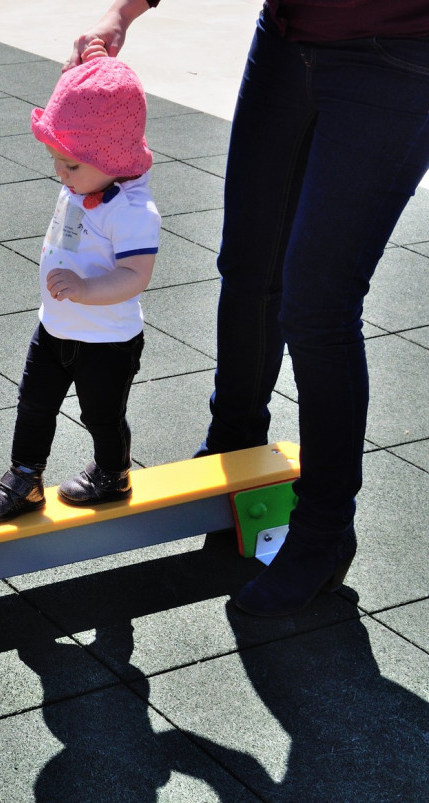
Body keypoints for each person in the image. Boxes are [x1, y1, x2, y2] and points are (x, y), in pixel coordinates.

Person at [68, 0, 429, 615]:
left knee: (319, 305)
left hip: (398, 52)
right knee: (249, 267)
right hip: (288, 38)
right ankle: (233, 446)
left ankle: (323, 531)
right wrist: (123, 12)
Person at [0, 49, 161, 522]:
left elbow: (135, 276)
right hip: (55, 327)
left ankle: (113, 472)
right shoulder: (80, 185)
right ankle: (25, 476)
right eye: (56, 160)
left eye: (71, 164)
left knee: (101, 414)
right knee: (33, 405)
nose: (60, 173)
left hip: (107, 340)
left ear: (112, 157)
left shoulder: (133, 211)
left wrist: (84, 289)